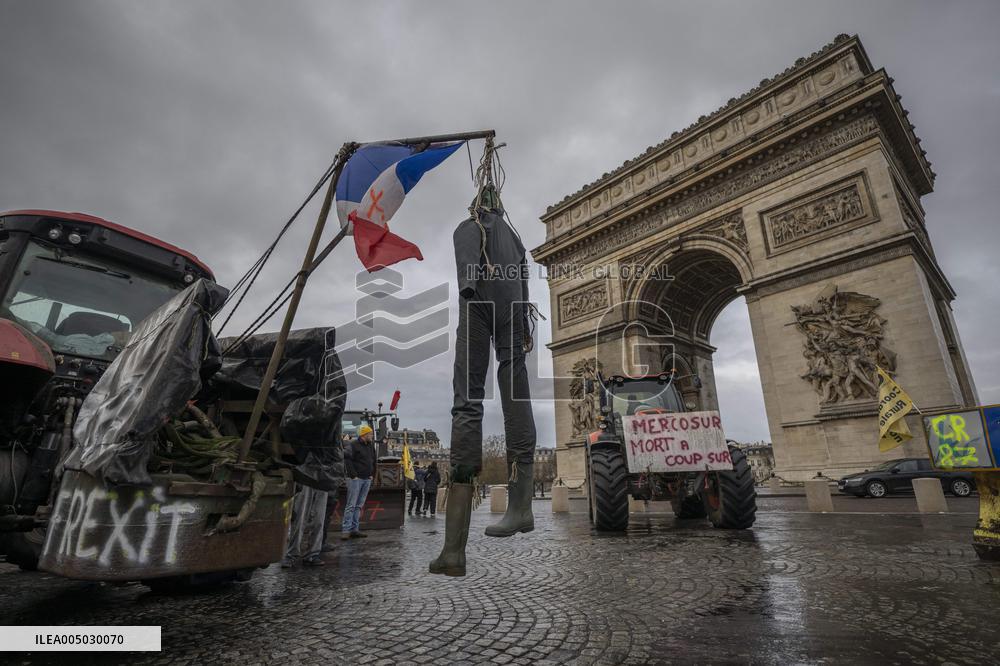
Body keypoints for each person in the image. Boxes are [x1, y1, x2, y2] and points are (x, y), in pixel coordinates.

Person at [342, 424, 377, 539]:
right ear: (364, 435)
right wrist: (353, 476)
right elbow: (348, 460)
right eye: (370, 434)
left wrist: (372, 474)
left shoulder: (371, 446)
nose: (372, 436)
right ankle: (346, 530)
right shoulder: (353, 445)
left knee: (359, 506)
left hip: (367, 478)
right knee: (351, 505)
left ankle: (354, 529)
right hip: (355, 479)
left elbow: (373, 460)